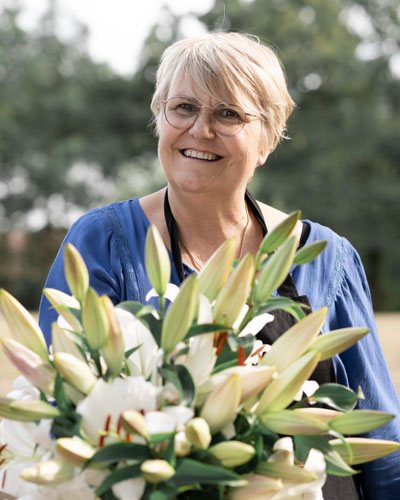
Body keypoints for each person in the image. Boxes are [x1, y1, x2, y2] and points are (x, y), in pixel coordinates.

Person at [38, 32, 399, 498]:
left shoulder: (327, 257)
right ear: (160, 119)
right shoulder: (103, 242)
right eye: (184, 107)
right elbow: (58, 414)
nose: (201, 129)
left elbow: (381, 448)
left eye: (228, 113)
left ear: (267, 139)